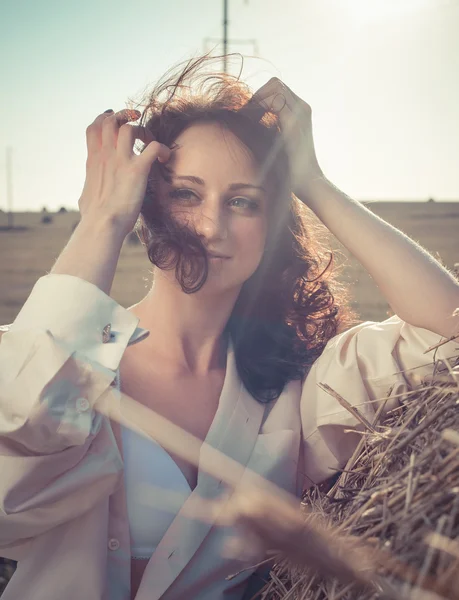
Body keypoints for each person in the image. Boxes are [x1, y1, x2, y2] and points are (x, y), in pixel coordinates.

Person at [0, 53, 458, 600]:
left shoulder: (300, 386)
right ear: (146, 206)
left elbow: (449, 332)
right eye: (185, 194)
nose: (212, 225)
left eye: (242, 201)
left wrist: (312, 181)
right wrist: (100, 221)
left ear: (271, 227)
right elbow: (13, 461)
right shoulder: (42, 359)